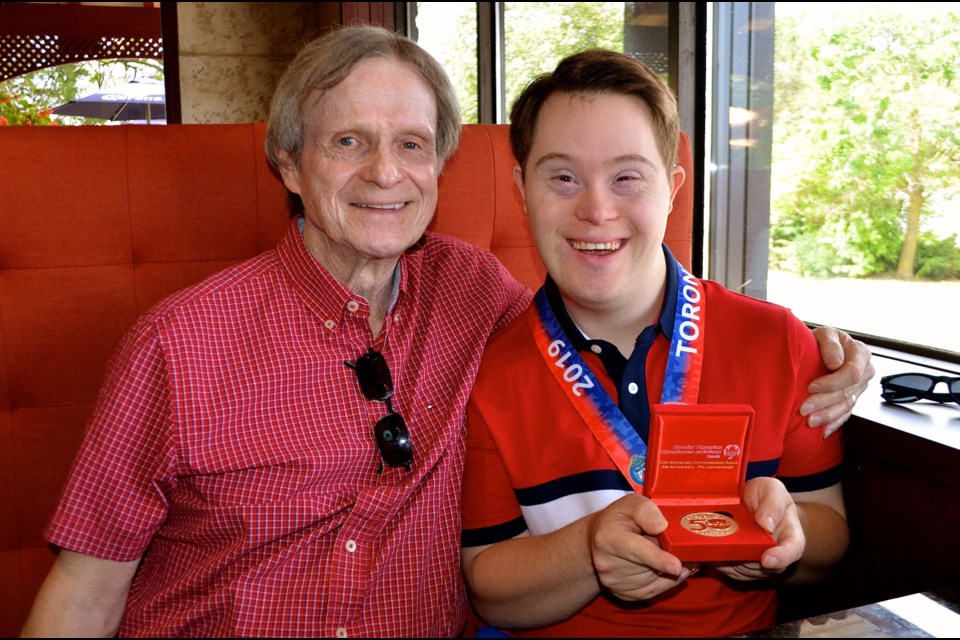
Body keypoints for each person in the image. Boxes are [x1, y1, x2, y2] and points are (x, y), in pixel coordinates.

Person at [20, 26, 868, 638]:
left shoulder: (474, 297)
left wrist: (827, 350)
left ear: (440, 164)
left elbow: (607, 305)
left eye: (413, 144)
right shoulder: (179, 344)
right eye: (348, 141)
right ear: (287, 162)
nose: (385, 173)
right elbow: (86, 590)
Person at [459, 49, 851, 638]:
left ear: (671, 190)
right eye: (563, 177)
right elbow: (492, 590)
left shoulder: (780, 342)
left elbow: (831, 538)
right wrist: (590, 549)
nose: (596, 209)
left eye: (627, 178)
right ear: (522, 190)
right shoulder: (489, 373)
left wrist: (782, 528)